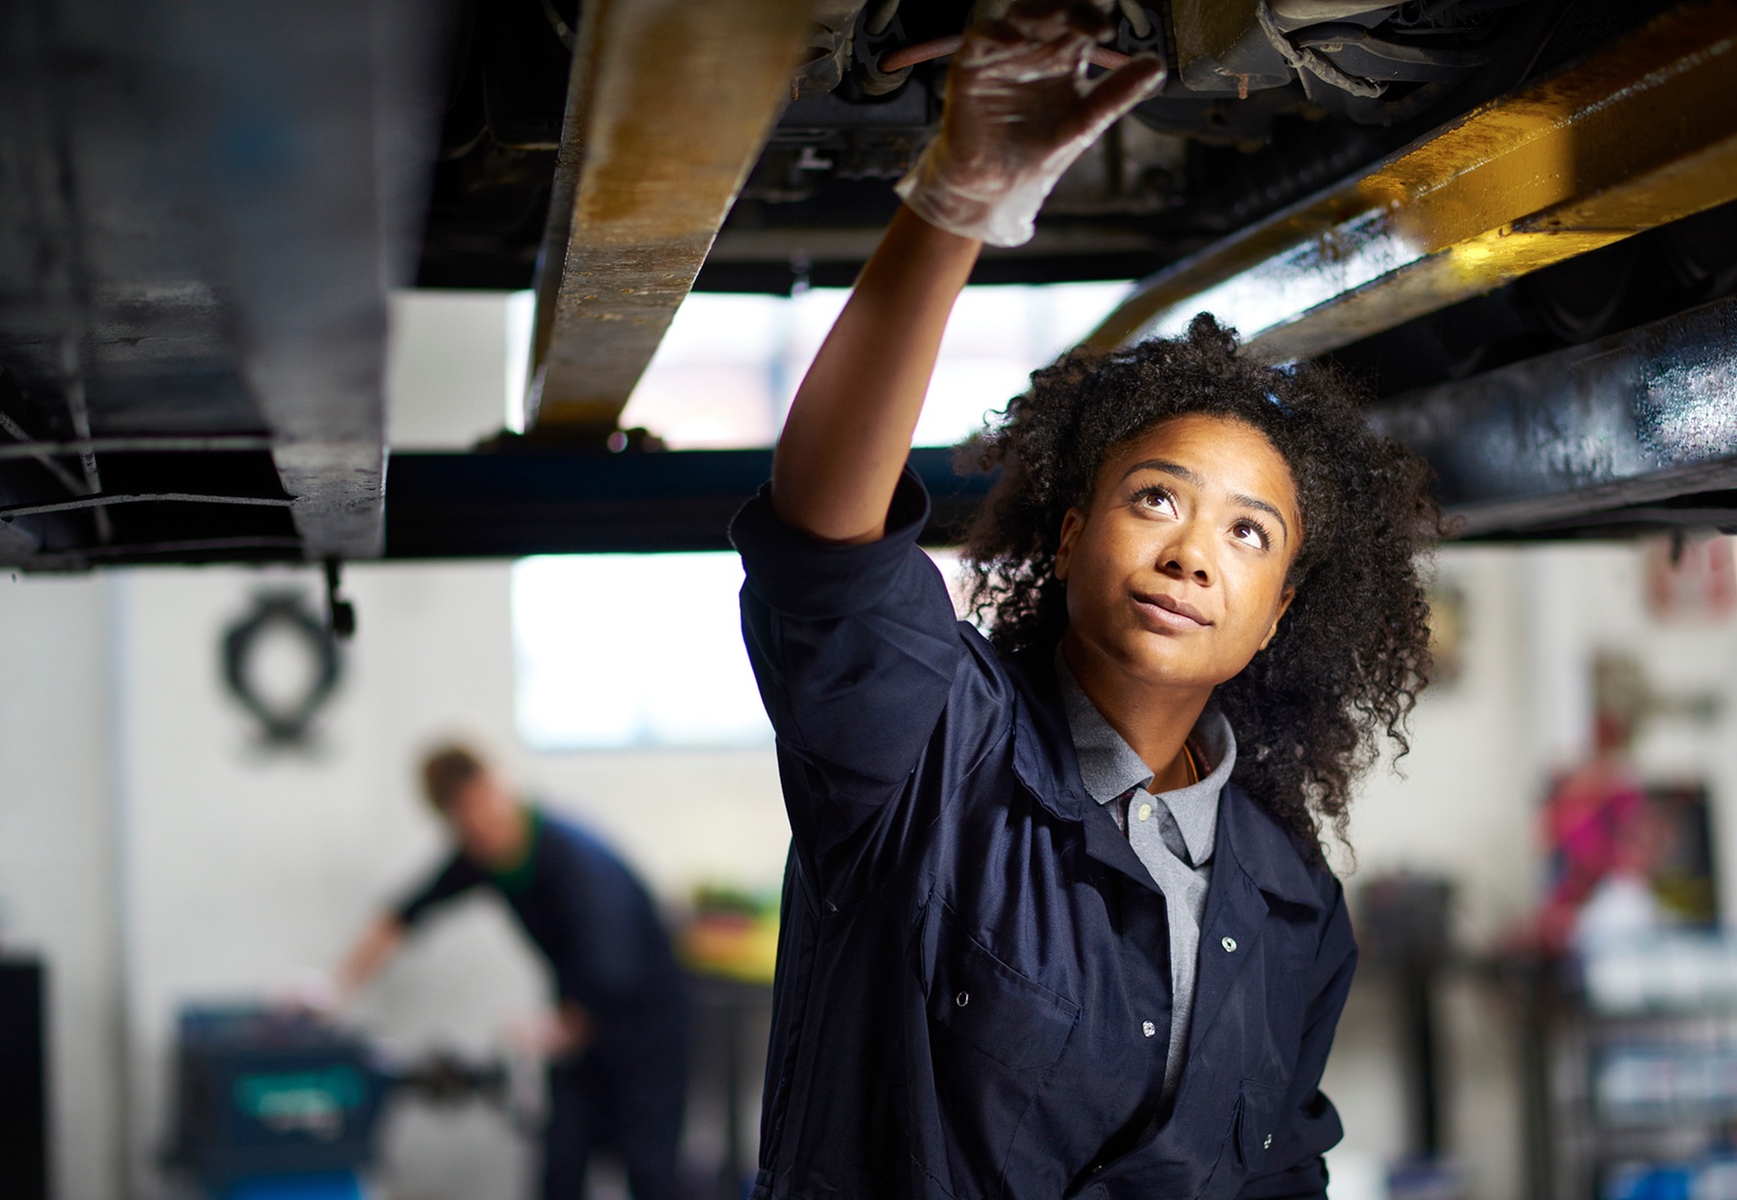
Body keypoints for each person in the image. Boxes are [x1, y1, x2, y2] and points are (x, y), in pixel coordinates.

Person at [727, 4, 1441, 1197]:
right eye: (1157, 501)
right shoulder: (933, 754)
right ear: (1069, 535)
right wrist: (959, 199)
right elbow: (826, 537)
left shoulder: (1290, 905)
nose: (1192, 553)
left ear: (1276, 613)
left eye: (1247, 532)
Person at [338, 744, 690, 1200]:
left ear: (499, 789)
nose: (483, 831)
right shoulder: (484, 855)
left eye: (485, 811)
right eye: (466, 826)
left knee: (650, 1172)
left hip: (644, 1031)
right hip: (575, 1029)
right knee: (560, 1169)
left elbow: (613, 966)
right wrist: (334, 989)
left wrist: (557, 1030)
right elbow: (402, 916)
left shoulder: (573, 858)